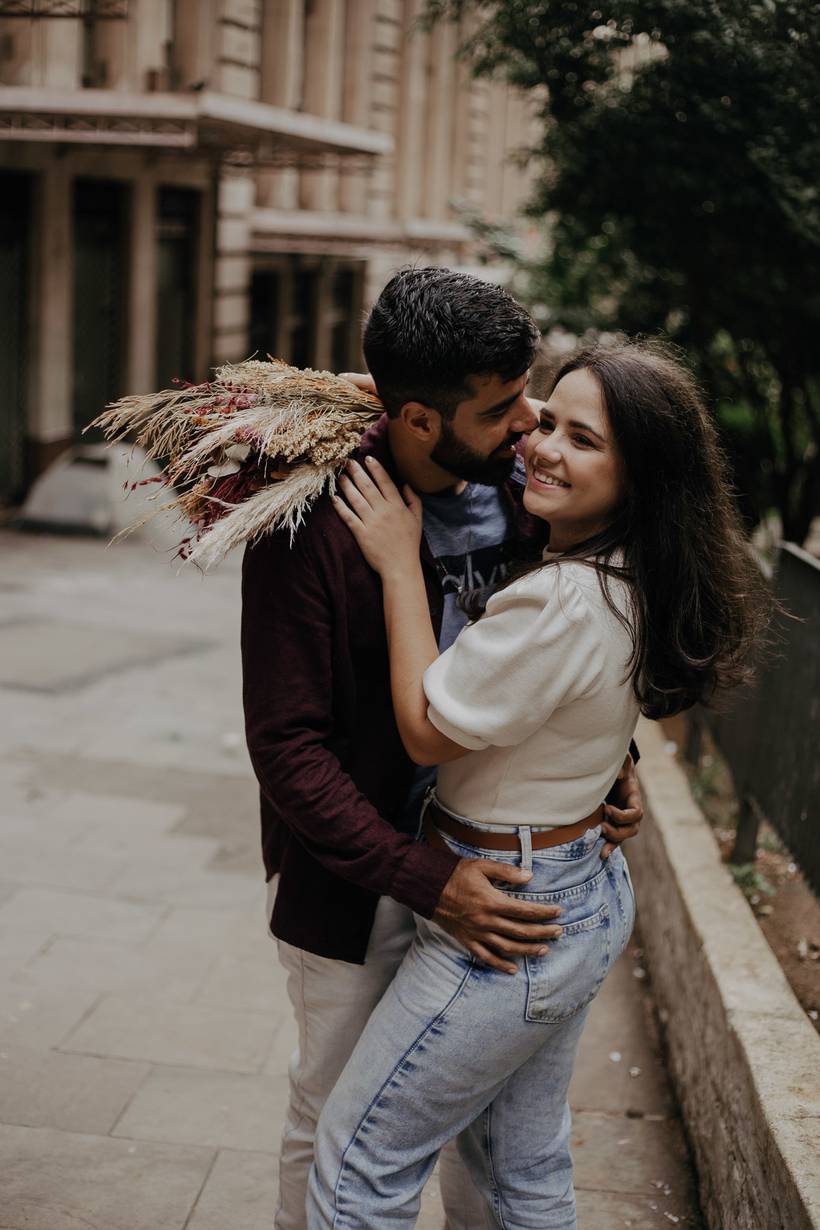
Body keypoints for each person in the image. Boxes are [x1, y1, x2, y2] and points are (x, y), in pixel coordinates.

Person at [308, 337, 772, 1229]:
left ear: (641, 476)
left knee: (358, 1162)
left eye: (584, 440)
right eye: (545, 421)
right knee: (522, 1170)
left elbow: (424, 728)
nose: (543, 447)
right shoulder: (638, 575)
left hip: (507, 918)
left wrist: (401, 565)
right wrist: (390, 391)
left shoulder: (559, 603)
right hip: (575, 888)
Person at [241, 268, 643, 1230]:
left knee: (488, 1134)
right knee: (335, 1115)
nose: (530, 428)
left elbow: (560, 663)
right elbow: (287, 749)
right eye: (507, 407)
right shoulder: (308, 532)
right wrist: (421, 878)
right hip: (359, 883)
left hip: (496, 863)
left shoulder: (520, 493)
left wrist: (611, 772)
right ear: (420, 420)